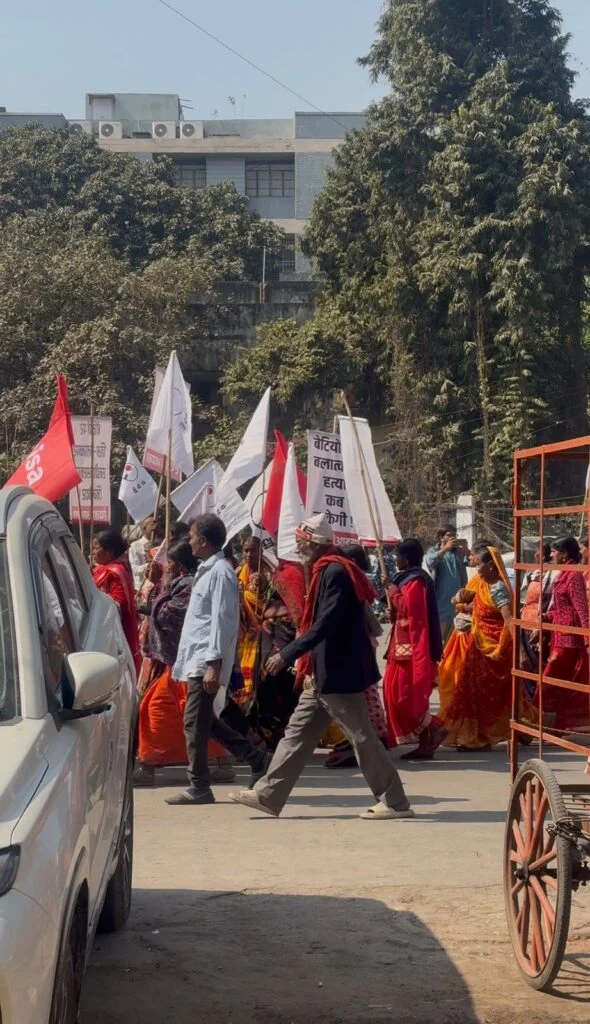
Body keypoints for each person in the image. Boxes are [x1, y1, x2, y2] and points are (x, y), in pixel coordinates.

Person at [229, 514, 414, 821]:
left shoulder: (335, 572)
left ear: (314, 543)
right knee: (296, 735)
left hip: (339, 672)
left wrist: (287, 654)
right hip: (323, 670)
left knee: (361, 737)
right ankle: (268, 794)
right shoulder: (324, 570)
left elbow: (325, 622)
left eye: (302, 542)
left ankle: (394, 801)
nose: (298, 547)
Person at [165, 514, 270, 806]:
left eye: (193, 536)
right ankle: (257, 759)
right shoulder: (206, 571)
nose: (190, 541)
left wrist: (214, 664)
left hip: (205, 660)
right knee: (204, 722)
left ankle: (199, 785)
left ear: (205, 540)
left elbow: (222, 623)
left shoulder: (221, 573)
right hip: (196, 658)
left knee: (194, 723)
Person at [134, 541, 198, 786]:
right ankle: (215, 760)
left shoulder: (188, 586)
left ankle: (149, 765)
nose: (165, 566)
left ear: (179, 565)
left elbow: (172, 614)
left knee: (156, 708)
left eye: (169, 562)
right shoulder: (176, 584)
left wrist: (157, 602)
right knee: (179, 711)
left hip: (185, 659)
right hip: (173, 662)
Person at [438, 543, 512, 751]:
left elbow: (509, 621)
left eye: (478, 564)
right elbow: (469, 603)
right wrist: (460, 600)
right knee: (469, 693)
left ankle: (482, 737)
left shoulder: (498, 590)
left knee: (487, 696)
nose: (475, 568)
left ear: (490, 565)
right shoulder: (481, 585)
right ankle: (471, 736)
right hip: (476, 648)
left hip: (495, 650)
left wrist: (518, 651)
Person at [323, 543, 389, 768]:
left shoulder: (349, 580)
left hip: (354, 647)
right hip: (363, 645)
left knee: (359, 699)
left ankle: (364, 744)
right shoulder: (357, 578)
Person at [382, 538, 445, 760]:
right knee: (391, 694)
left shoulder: (415, 581)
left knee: (405, 698)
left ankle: (434, 726)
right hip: (398, 647)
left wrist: (391, 590)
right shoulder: (405, 579)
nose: (395, 560)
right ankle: (426, 740)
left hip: (411, 650)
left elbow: (411, 610)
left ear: (406, 559)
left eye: (398, 556)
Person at [538, 536, 590, 730]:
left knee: (551, 680)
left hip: (570, 639)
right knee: (559, 685)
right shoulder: (563, 573)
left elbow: (581, 608)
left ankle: (534, 719)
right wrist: (547, 615)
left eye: (553, 552)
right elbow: (563, 607)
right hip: (558, 634)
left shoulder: (573, 574)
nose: (551, 555)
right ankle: (552, 725)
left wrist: (586, 638)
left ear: (564, 554)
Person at [254, 559, 306, 749]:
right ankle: (271, 734)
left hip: (290, 640)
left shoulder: (296, 573)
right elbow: (257, 608)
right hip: (267, 641)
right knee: (266, 683)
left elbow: (299, 610)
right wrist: (260, 590)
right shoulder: (270, 573)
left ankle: (285, 734)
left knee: (287, 686)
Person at [92, 528, 141, 674]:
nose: (93, 551)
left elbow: (119, 604)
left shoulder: (115, 572)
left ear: (110, 552)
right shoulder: (104, 569)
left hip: (113, 632)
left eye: (96, 547)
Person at [234, 535, 272, 713]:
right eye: (245, 550)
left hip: (261, 635)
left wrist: (262, 588)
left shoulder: (268, 574)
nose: (248, 554)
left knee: (258, 677)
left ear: (261, 551)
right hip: (242, 634)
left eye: (253, 550)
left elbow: (270, 604)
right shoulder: (238, 571)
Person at [426, 526, 468, 643]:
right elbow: (430, 561)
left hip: (457, 603)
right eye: (449, 535)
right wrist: (445, 549)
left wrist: (467, 550)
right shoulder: (433, 551)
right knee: (439, 639)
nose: (453, 537)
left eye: (455, 535)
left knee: (455, 640)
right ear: (441, 537)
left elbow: (471, 562)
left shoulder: (458, 552)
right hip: (441, 603)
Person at [520, 542, 555, 676]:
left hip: (544, 626)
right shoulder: (532, 572)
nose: (535, 554)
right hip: (526, 623)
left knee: (542, 666)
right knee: (528, 666)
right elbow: (523, 598)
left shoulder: (555, 573)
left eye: (538, 551)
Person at [129, 515, 157, 592]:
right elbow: (134, 570)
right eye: (152, 524)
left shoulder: (160, 544)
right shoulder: (135, 546)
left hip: (157, 587)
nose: (155, 527)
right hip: (142, 588)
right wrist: (149, 565)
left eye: (156, 524)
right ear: (144, 528)